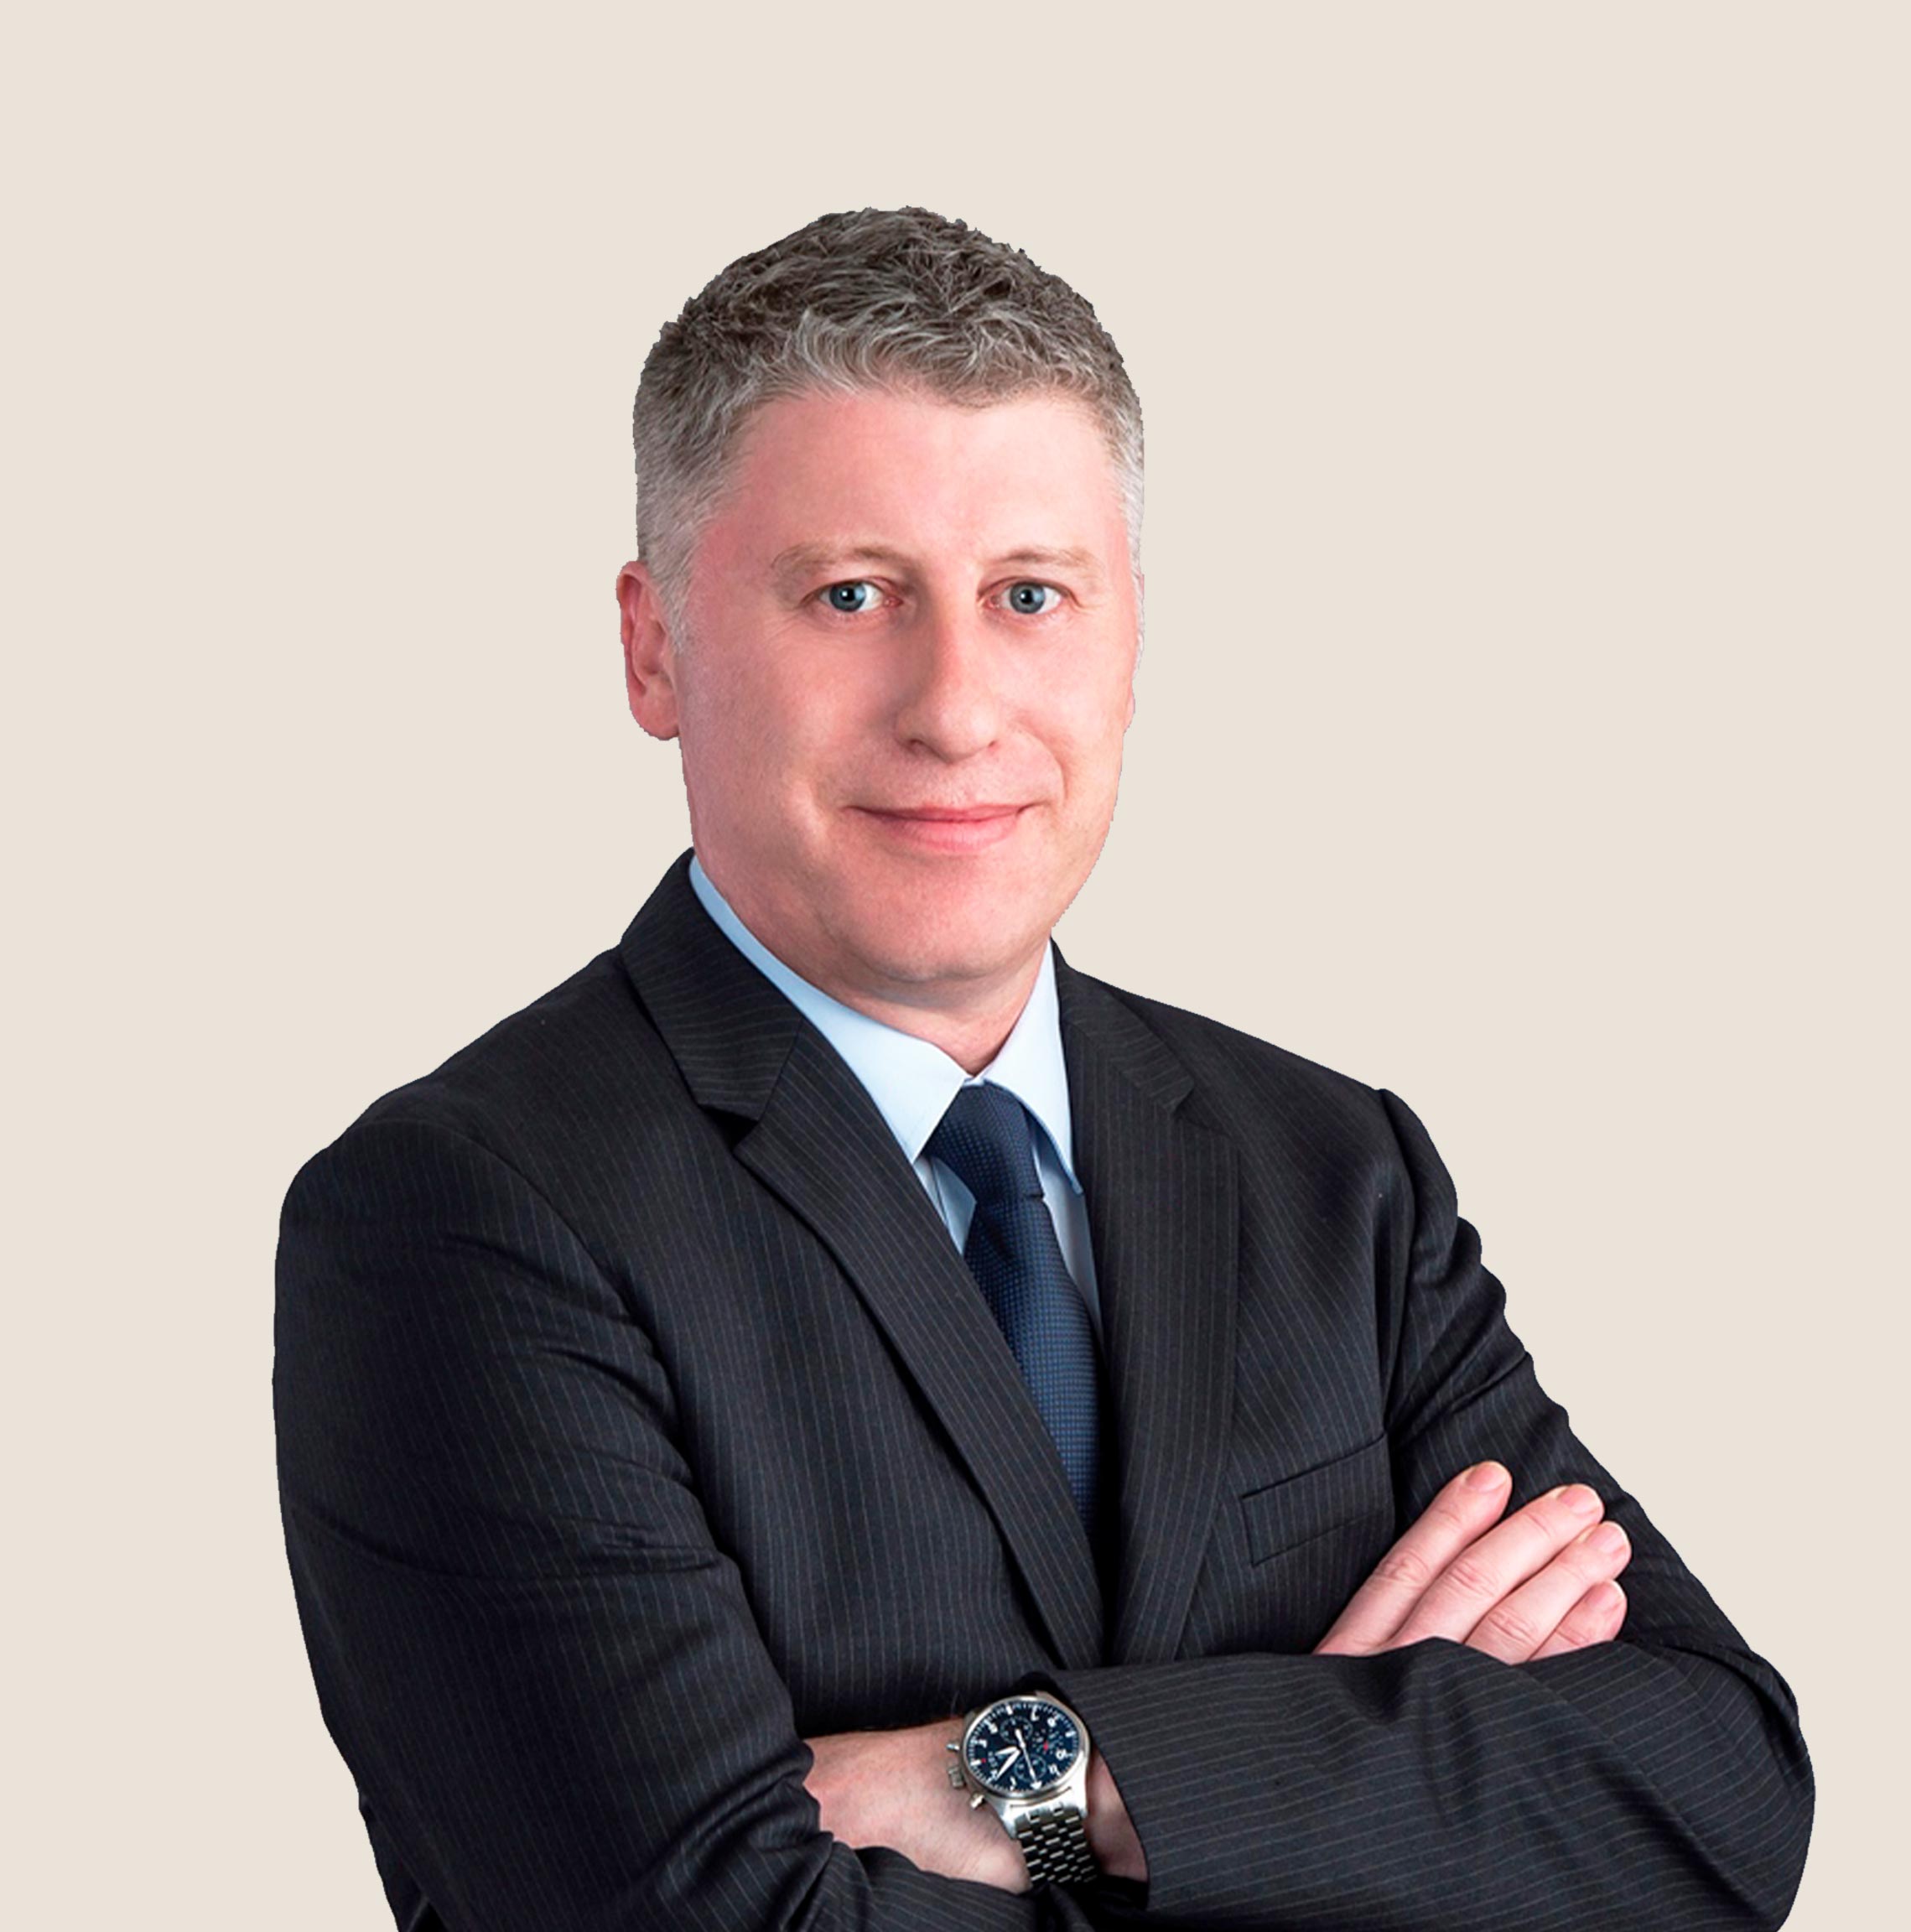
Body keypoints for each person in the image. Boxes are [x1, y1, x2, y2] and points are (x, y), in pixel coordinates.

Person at [275, 207, 1812, 1929]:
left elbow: (1715, 1801)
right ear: (655, 647)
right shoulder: (468, 1219)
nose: (956, 706)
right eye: (852, 596)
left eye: (1029, 595)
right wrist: (1336, 1799)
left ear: (1131, 635)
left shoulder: (1333, 1174)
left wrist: (1044, 1775)